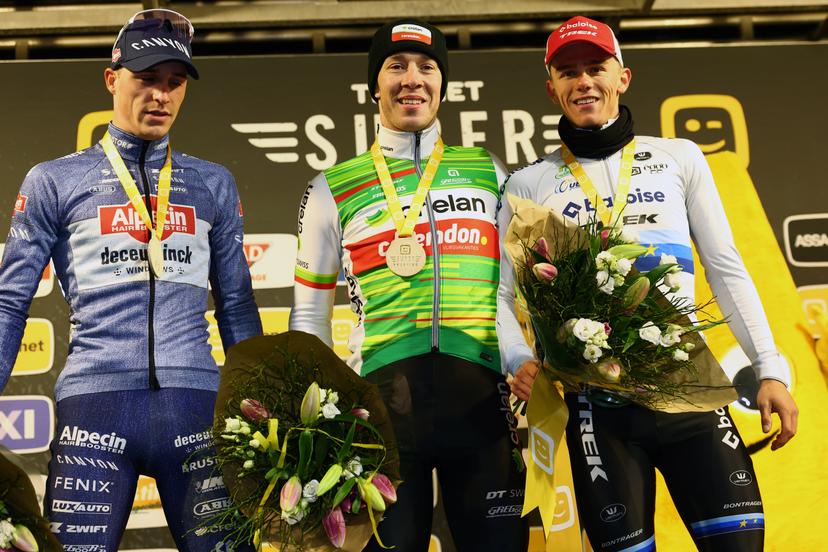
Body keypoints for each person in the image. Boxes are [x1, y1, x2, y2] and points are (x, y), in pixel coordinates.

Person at [497, 15, 798, 552]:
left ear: (623, 77)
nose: (583, 81)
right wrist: (518, 357)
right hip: (598, 407)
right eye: (568, 72)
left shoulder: (678, 157)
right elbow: (502, 294)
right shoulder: (528, 182)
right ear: (551, 88)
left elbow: (725, 267)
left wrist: (769, 368)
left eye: (596, 68)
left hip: (691, 389)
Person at [0, 9, 262, 551]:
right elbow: (9, 302)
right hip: (95, 409)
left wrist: (265, 410)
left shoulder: (212, 182)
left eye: (175, 82)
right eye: (146, 78)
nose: (161, 95)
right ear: (111, 79)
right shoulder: (54, 180)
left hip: (196, 406)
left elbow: (236, 305)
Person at [290, 19, 528, 552]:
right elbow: (308, 315)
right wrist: (315, 413)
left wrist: (520, 361)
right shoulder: (331, 187)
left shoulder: (488, 170)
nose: (412, 79)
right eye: (396, 66)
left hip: (482, 403)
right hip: (382, 412)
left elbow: (506, 293)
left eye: (427, 67)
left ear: (443, 84)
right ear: (374, 85)